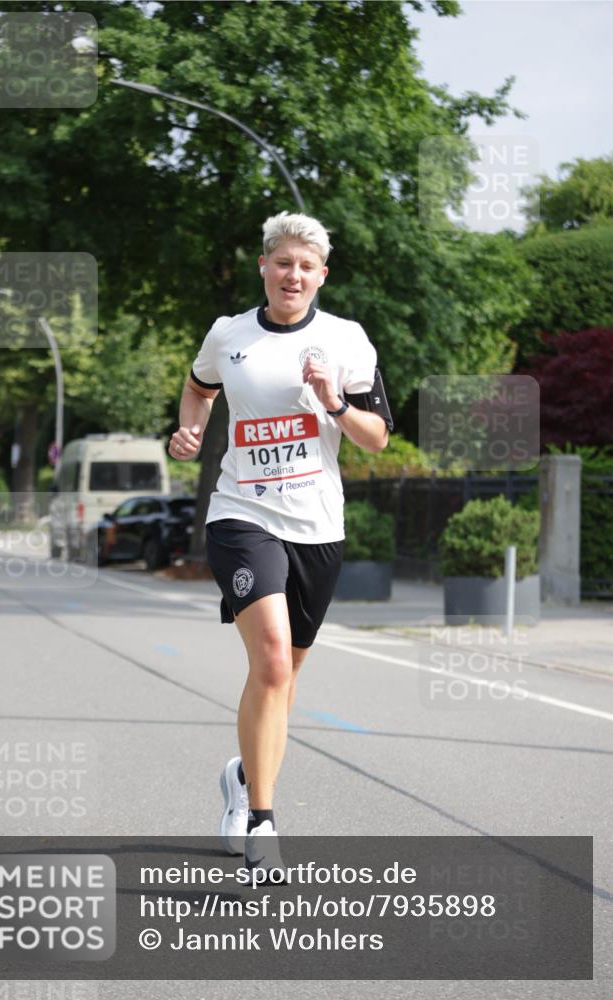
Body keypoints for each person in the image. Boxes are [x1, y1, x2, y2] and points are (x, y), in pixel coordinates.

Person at [170, 212, 391, 879]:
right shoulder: (227, 335)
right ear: (263, 266)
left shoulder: (344, 341)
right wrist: (188, 431)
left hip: (317, 527)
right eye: (282, 262)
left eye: (306, 266)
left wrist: (332, 403)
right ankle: (261, 826)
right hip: (242, 516)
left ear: (321, 276)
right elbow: (197, 388)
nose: (293, 275)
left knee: (284, 681)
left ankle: (243, 774)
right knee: (269, 660)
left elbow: (376, 435)